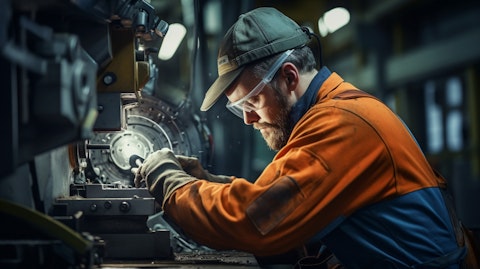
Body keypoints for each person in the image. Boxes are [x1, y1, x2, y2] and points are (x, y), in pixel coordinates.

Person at [134, 7, 475, 268]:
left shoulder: (341, 126)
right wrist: (209, 181)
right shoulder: (333, 114)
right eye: (240, 110)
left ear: (289, 77)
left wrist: (169, 180)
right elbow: (277, 199)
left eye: (252, 102)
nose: (250, 119)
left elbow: (252, 222)